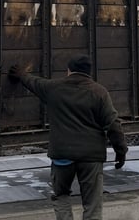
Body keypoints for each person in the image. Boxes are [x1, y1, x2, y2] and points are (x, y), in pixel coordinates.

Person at [8, 54, 128, 220]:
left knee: (61, 195)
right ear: (89, 72)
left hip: (62, 156)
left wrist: (21, 74)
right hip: (90, 157)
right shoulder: (99, 92)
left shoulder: (54, 88)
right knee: (92, 203)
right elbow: (113, 124)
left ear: (69, 70)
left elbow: (34, 82)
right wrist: (121, 152)